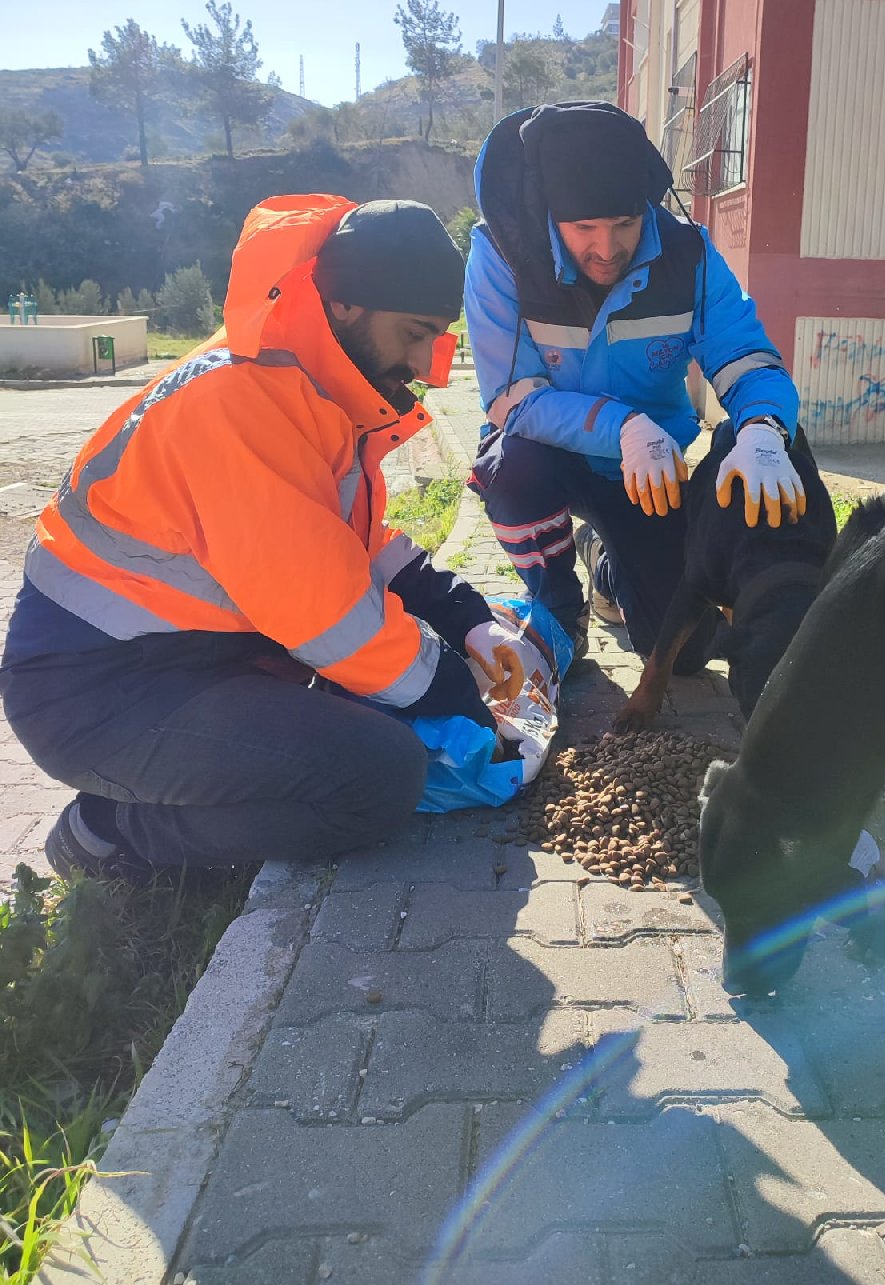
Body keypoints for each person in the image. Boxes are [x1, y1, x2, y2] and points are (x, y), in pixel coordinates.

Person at [0, 196, 524, 881]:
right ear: (346, 306)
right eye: (412, 333)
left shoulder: (302, 383)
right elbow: (330, 616)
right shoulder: (243, 403)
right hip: (99, 696)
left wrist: (467, 617)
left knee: (369, 712)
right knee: (379, 776)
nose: (424, 363)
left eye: (437, 337)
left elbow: (349, 544)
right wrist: (456, 693)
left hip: (173, 664)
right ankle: (110, 832)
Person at [465, 101, 807, 670]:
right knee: (512, 468)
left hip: (653, 471)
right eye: (584, 229)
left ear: (646, 206)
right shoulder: (503, 255)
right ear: (550, 213)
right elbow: (510, 398)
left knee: (684, 654)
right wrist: (623, 425)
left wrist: (764, 429)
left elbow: (747, 359)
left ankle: (603, 561)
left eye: (625, 224)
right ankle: (558, 608)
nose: (607, 249)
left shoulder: (690, 256)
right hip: (549, 454)